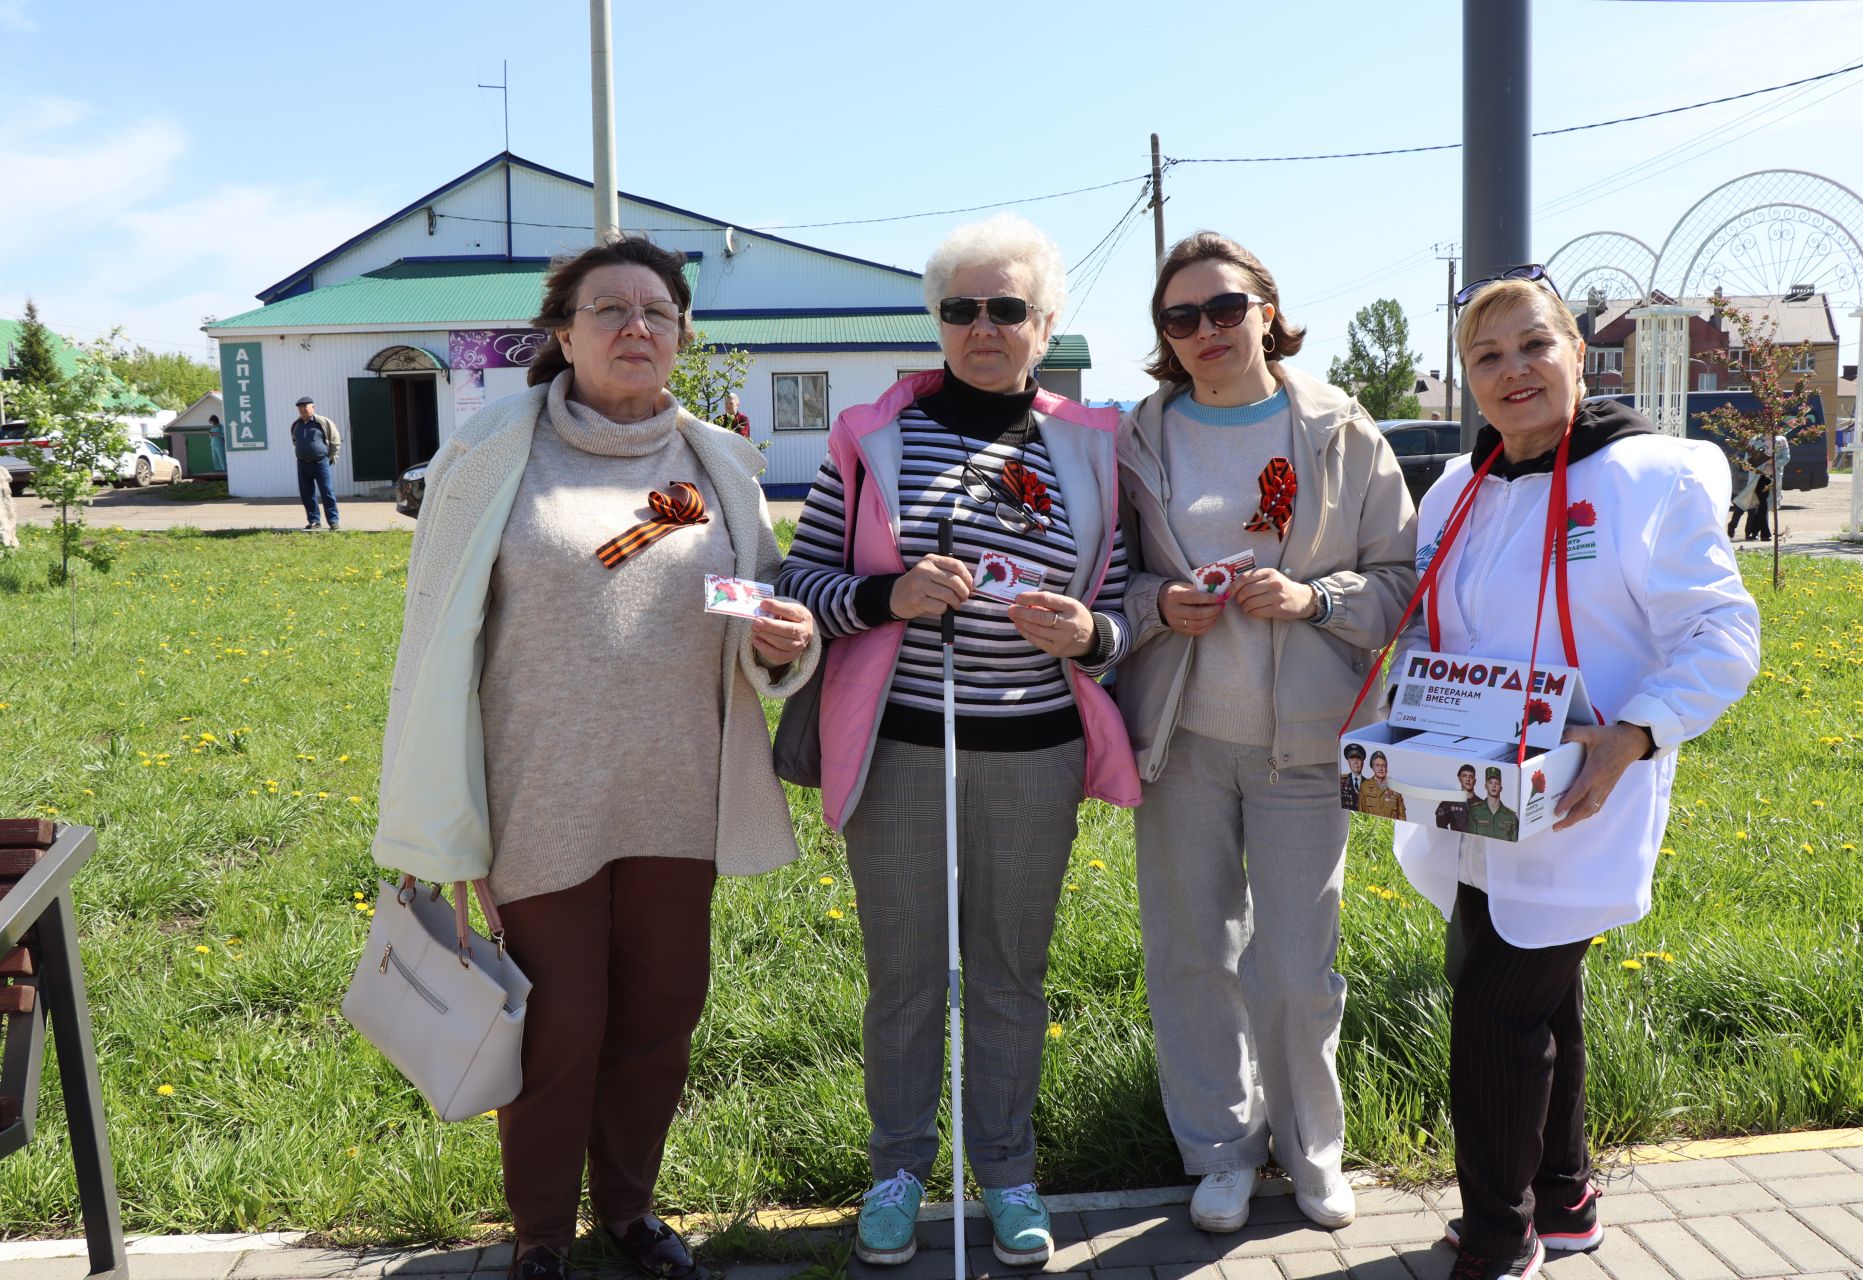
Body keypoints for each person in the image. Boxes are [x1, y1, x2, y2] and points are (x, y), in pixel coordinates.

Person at [369, 234, 820, 1280]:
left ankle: (629, 1207)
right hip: (539, 797)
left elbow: (758, 610)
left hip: (680, 792)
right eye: (608, 309)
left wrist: (780, 644)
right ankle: (539, 1231)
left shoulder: (719, 464)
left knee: (660, 1013)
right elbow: (433, 646)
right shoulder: (491, 456)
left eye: (656, 311)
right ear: (563, 335)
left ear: (682, 336)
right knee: (558, 1024)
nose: (635, 327)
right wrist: (448, 819)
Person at [777, 214, 1138, 1270]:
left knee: (1011, 976)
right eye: (960, 308)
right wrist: (888, 595)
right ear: (937, 321)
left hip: (1035, 753)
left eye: (1007, 308)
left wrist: (1090, 634)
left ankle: (1008, 1171)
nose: (984, 327)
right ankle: (897, 1168)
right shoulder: (873, 437)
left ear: (1047, 322)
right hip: (900, 751)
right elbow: (801, 581)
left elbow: (1121, 609)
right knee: (903, 978)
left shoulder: (1092, 446)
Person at [1390, 268, 1759, 1280]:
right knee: (1534, 997)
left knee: (1495, 1011)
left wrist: (1635, 734)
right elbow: (1427, 627)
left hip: (1585, 799)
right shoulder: (1455, 492)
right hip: (1472, 798)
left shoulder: (1648, 477)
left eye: (1533, 345)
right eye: (1487, 355)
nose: (1513, 370)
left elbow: (1723, 634)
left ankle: (1499, 1237)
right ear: (1467, 378)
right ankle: (1565, 1197)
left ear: (1577, 355)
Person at [1114, 230, 1415, 1235]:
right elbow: (1105, 578)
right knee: (1192, 955)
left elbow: (1400, 578)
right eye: (1181, 316)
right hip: (1180, 736)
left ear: (1268, 311)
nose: (1206, 329)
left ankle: (1311, 1147)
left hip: (1306, 740)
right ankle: (1220, 1150)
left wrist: (1314, 598)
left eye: (1226, 307)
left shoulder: (1339, 427)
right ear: (1165, 335)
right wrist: (1159, 603)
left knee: (1294, 963)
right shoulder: (1136, 438)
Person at [289, 396, 342, 530]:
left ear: (313, 407)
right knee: (307, 494)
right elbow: (295, 441)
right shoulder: (296, 425)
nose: (302, 410)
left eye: (305, 407)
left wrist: (328, 457)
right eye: (300, 408)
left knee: (327, 492)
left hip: (320, 463)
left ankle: (333, 521)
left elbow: (335, 440)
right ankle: (314, 521)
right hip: (302, 464)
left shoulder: (323, 422)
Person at [1463, 766, 1517, 841]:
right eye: (1490, 782)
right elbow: (1470, 841)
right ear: (1486, 786)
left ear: (1501, 788)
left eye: (1497, 783)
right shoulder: (1475, 811)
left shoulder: (1511, 816)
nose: (1494, 786)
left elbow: (1515, 845)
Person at [1356, 751, 1407, 821]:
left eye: (1383, 765)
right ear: (1372, 767)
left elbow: (1402, 816)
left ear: (1386, 768)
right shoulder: (1365, 786)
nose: (1380, 768)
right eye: (1377, 765)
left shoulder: (1395, 787)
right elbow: (1360, 814)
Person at [1435, 764, 1480, 832]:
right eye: (1464, 776)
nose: (1468, 779)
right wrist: (1451, 837)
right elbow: (1440, 825)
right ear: (1459, 779)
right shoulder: (1450, 802)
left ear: (1475, 781)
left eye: (1471, 777)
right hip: (1456, 838)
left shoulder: (1482, 804)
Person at [1339, 742, 1367, 811]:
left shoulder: (1369, 784)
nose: (1355, 762)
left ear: (1363, 762)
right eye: (1352, 759)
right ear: (1348, 761)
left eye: (1358, 758)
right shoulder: (1341, 781)